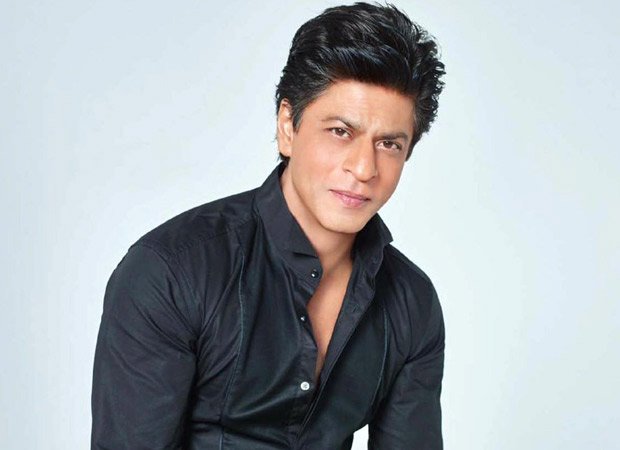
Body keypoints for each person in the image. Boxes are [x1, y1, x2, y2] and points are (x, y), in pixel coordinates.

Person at [91, 2, 446, 449]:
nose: (363, 168)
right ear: (287, 127)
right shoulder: (172, 272)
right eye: (340, 131)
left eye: (389, 144)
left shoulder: (411, 303)